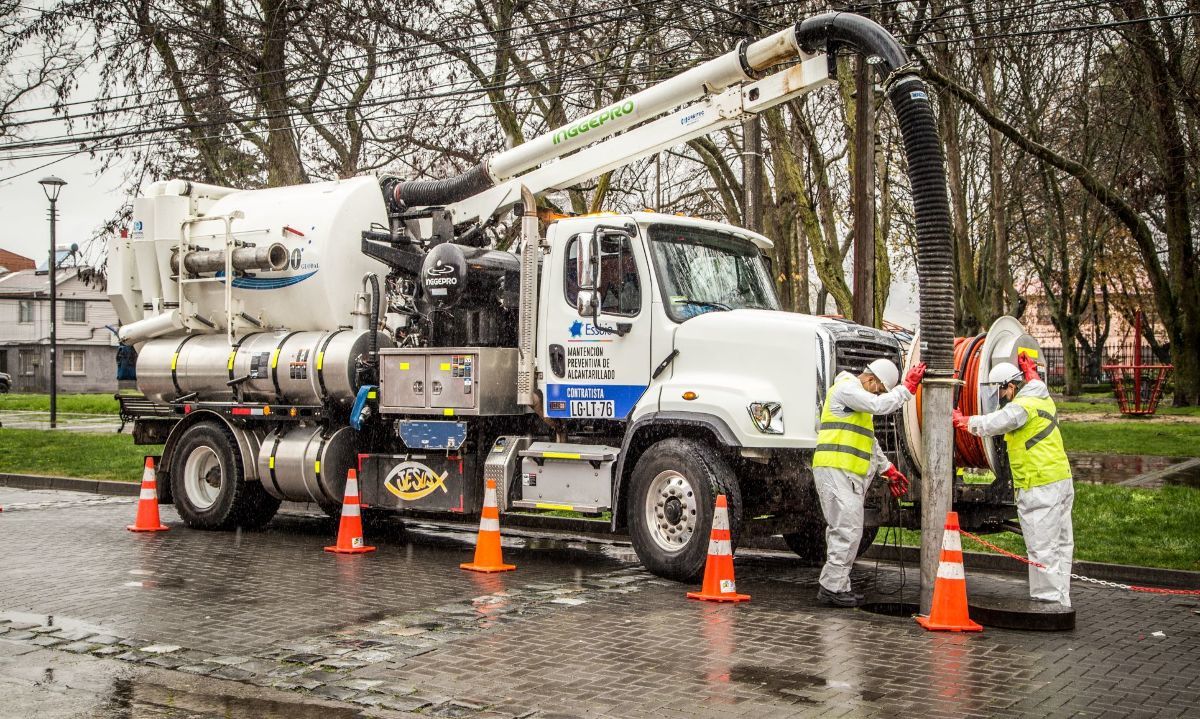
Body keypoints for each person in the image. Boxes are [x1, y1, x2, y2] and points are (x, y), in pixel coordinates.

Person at [953, 352, 1074, 607]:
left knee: (1041, 548)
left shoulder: (1022, 407)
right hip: (1060, 479)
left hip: (1038, 484)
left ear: (1012, 386)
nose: (1000, 398)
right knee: (1062, 545)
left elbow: (997, 421)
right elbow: (1035, 382)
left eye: (1002, 392)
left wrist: (963, 422)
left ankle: (1047, 603)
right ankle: (1062, 599)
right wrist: (1030, 371)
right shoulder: (1041, 395)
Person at [813, 357, 926, 607]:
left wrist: (888, 469)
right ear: (871, 379)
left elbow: (869, 442)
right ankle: (832, 587)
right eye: (880, 388)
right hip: (836, 471)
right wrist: (906, 389)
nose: (879, 393)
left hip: (843, 473)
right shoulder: (847, 389)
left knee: (847, 530)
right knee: (847, 530)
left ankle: (838, 585)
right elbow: (879, 404)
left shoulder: (858, 406)